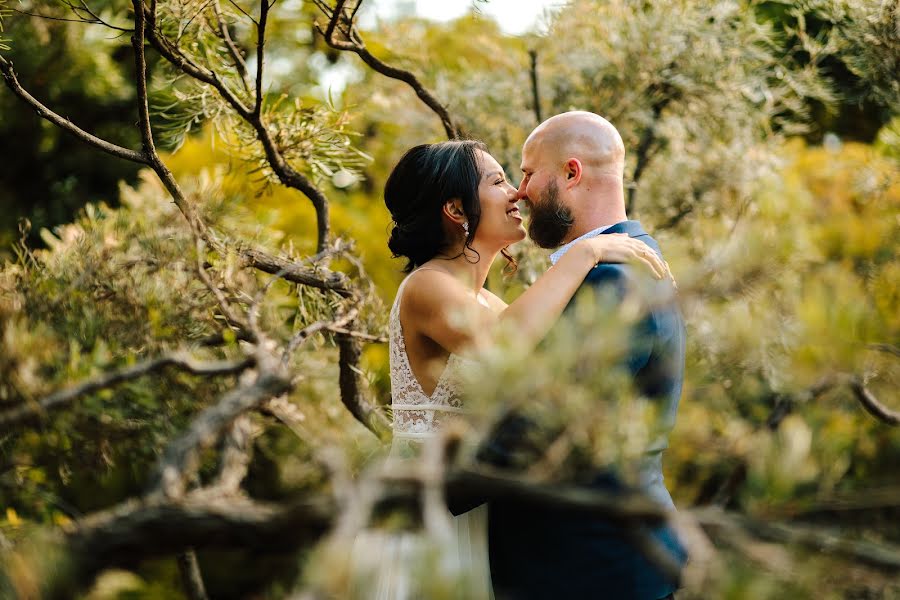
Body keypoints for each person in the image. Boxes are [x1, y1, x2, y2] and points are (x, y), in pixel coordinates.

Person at [358, 139, 671, 600]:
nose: (517, 193)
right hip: (432, 508)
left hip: (476, 507)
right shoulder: (426, 285)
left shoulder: (487, 301)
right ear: (455, 209)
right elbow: (505, 344)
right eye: (499, 180)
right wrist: (587, 254)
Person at [477, 111, 688, 599]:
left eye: (528, 172)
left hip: (590, 568)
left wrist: (430, 474)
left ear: (571, 173)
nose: (521, 190)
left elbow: (542, 426)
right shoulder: (614, 265)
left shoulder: (613, 280)